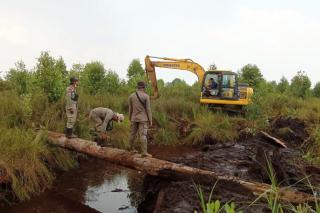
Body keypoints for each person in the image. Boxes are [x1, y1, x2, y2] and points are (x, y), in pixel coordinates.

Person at [128, 81, 152, 157]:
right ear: (143, 87)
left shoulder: (131, 96)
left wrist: (130, 118)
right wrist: (150, 120)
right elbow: (148, 109)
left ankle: (131, 149)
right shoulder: (146, 96)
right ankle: (144, 153)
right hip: (143, 119)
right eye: (145, 87)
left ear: (137, 87)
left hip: (134, 118)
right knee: (143, 135)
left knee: (132, 134)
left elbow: (130, 109)